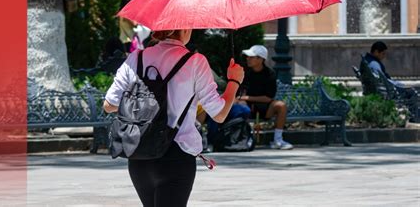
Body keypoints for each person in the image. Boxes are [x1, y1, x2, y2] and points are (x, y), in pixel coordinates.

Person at [103, 29, 244, 207]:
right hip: (176, 154)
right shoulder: (195, 61)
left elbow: (109, 105)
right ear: (184, 28)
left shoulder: (136, 58)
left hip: (138, 152)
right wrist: (234, 82)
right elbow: (219, 114)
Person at [237, 45, 293, 150]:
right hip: (248, 108)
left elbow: (268, 98)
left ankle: (278, 139)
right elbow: (240, 94)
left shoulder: (270, 74)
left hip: (266, 108)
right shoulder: (244, 72)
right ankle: (243, 138)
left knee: (281, 106)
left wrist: (247, 98)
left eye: (251, 57)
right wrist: (243, 99)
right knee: (240, 105)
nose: (248, 59)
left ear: (261, 59)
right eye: (248, 57)